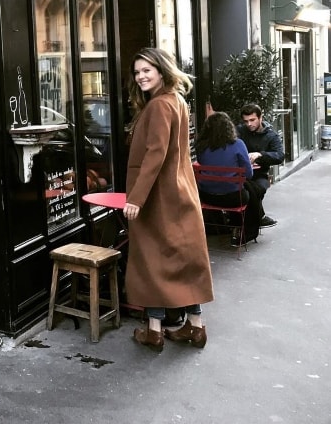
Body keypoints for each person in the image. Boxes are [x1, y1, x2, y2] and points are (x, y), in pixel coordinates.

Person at [122, 47, 214, 352]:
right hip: (178, 191)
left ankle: (155, 330)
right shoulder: (177, 101)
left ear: (162, 70)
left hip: (157, 197)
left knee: (152, 261)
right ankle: (195, 327)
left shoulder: (160, 106)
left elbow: (156, 154)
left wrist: (136, 198)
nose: (141, 76)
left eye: (147, 70)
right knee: (184, 260)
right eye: (137, 72)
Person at [194, 112, 262, 247]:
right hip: (233, 198)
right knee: (252, 189)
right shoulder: (237, 144)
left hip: (207, 196)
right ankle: (246, 229)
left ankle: (230, 226)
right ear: (228, 127)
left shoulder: (201, 147)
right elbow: (248, 174)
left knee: (250, 188)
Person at [235, 103, 285, 228]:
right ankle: (257, 218)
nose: (249, 124)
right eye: (246, 121)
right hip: (240, 173)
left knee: (258, 189)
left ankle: (253, 219)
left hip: (260, 175)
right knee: (246, 192)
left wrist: (260, 155)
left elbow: (280, 155)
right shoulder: (240, 130)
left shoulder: (271, 135)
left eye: (252, 120)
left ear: (260, 118)